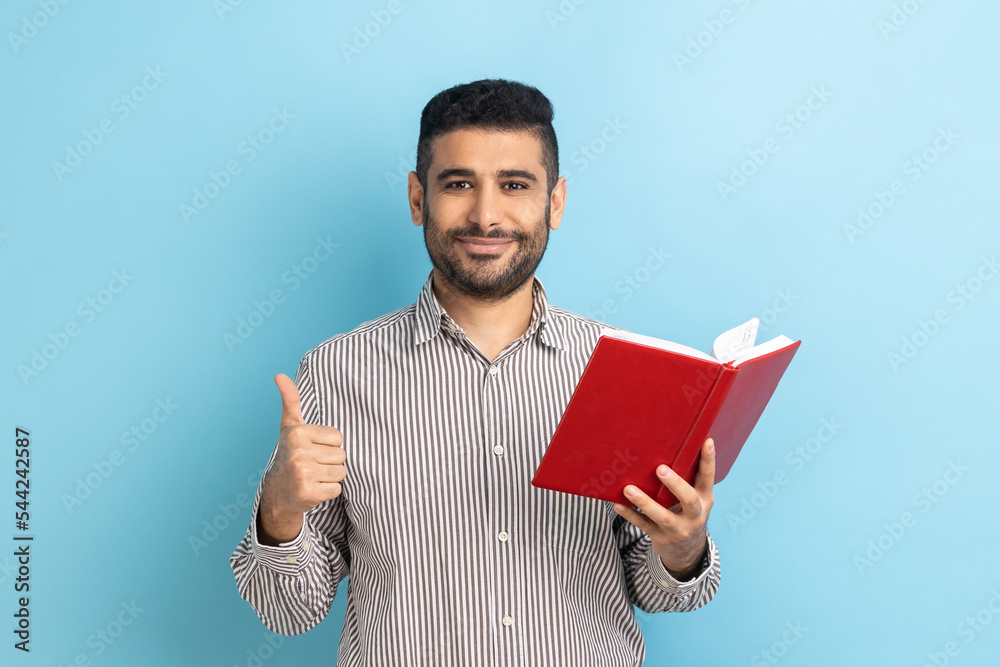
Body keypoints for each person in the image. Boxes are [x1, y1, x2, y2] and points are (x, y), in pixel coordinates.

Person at [230, 78, 721, 666]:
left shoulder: (620, 373)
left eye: (514, 185)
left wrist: (684, 547)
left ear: (554, 202)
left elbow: (661, 592)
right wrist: (279, 515)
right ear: (418, 199)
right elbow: (290, 611)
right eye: (459, 184)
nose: (486, 216)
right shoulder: (337, 372)